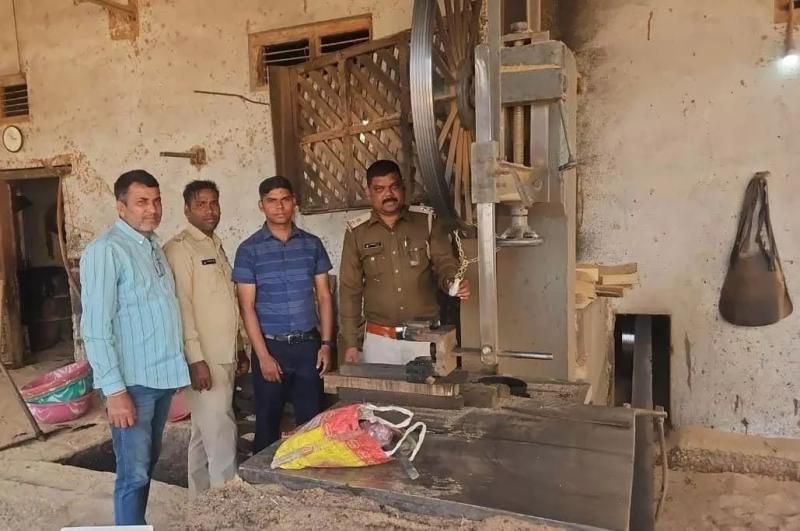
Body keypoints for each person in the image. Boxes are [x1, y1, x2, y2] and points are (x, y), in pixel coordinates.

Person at [80, 169, 190, 526]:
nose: (152, 209)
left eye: (156, 201)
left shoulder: (153, 245)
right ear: (121, 206)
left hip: (158, 378)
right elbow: (96, 329)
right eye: (142, 202)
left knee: (147, 465)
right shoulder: (106, 251)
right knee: (133, 474)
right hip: (132, 384)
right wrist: (114, 392)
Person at [232, 176, 334, 455]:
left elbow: (324, 297)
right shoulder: (249, 250)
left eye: (285, 200)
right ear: (261, 206)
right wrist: (263, 356)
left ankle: (309, 476)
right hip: (271, 347)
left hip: (308, 348)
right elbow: (247, 307)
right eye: (272, 201)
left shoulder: (312, 245)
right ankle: (264, 477)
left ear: (294, 202)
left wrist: (326, 345)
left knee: (312, 424)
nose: (279, 207)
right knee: (267, 423)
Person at [338, 159, 470, 365]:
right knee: (382, 387)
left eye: (394, 187)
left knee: (427, 386)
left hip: (424, 337)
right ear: (368, 193)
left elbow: (444, 262)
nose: (388, 194)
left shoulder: (426, 222)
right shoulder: (357, 232)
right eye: (379, 189)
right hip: (380, 340)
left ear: (404, 188)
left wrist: (452, 282)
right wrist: (351, 342)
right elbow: (350, 289)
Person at [163, 180, 248, 495]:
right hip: (205, 358)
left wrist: (240, 347)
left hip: (225, 353)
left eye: (214, 203)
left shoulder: (215, 245)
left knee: (204, 431)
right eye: (201, 204)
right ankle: (226, 501)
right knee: (221, 430)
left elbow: (226, 303)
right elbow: (182, 306)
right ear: (187, 210)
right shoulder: (179, 248)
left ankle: (199, 502)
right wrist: (195, 358)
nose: (210, 210)